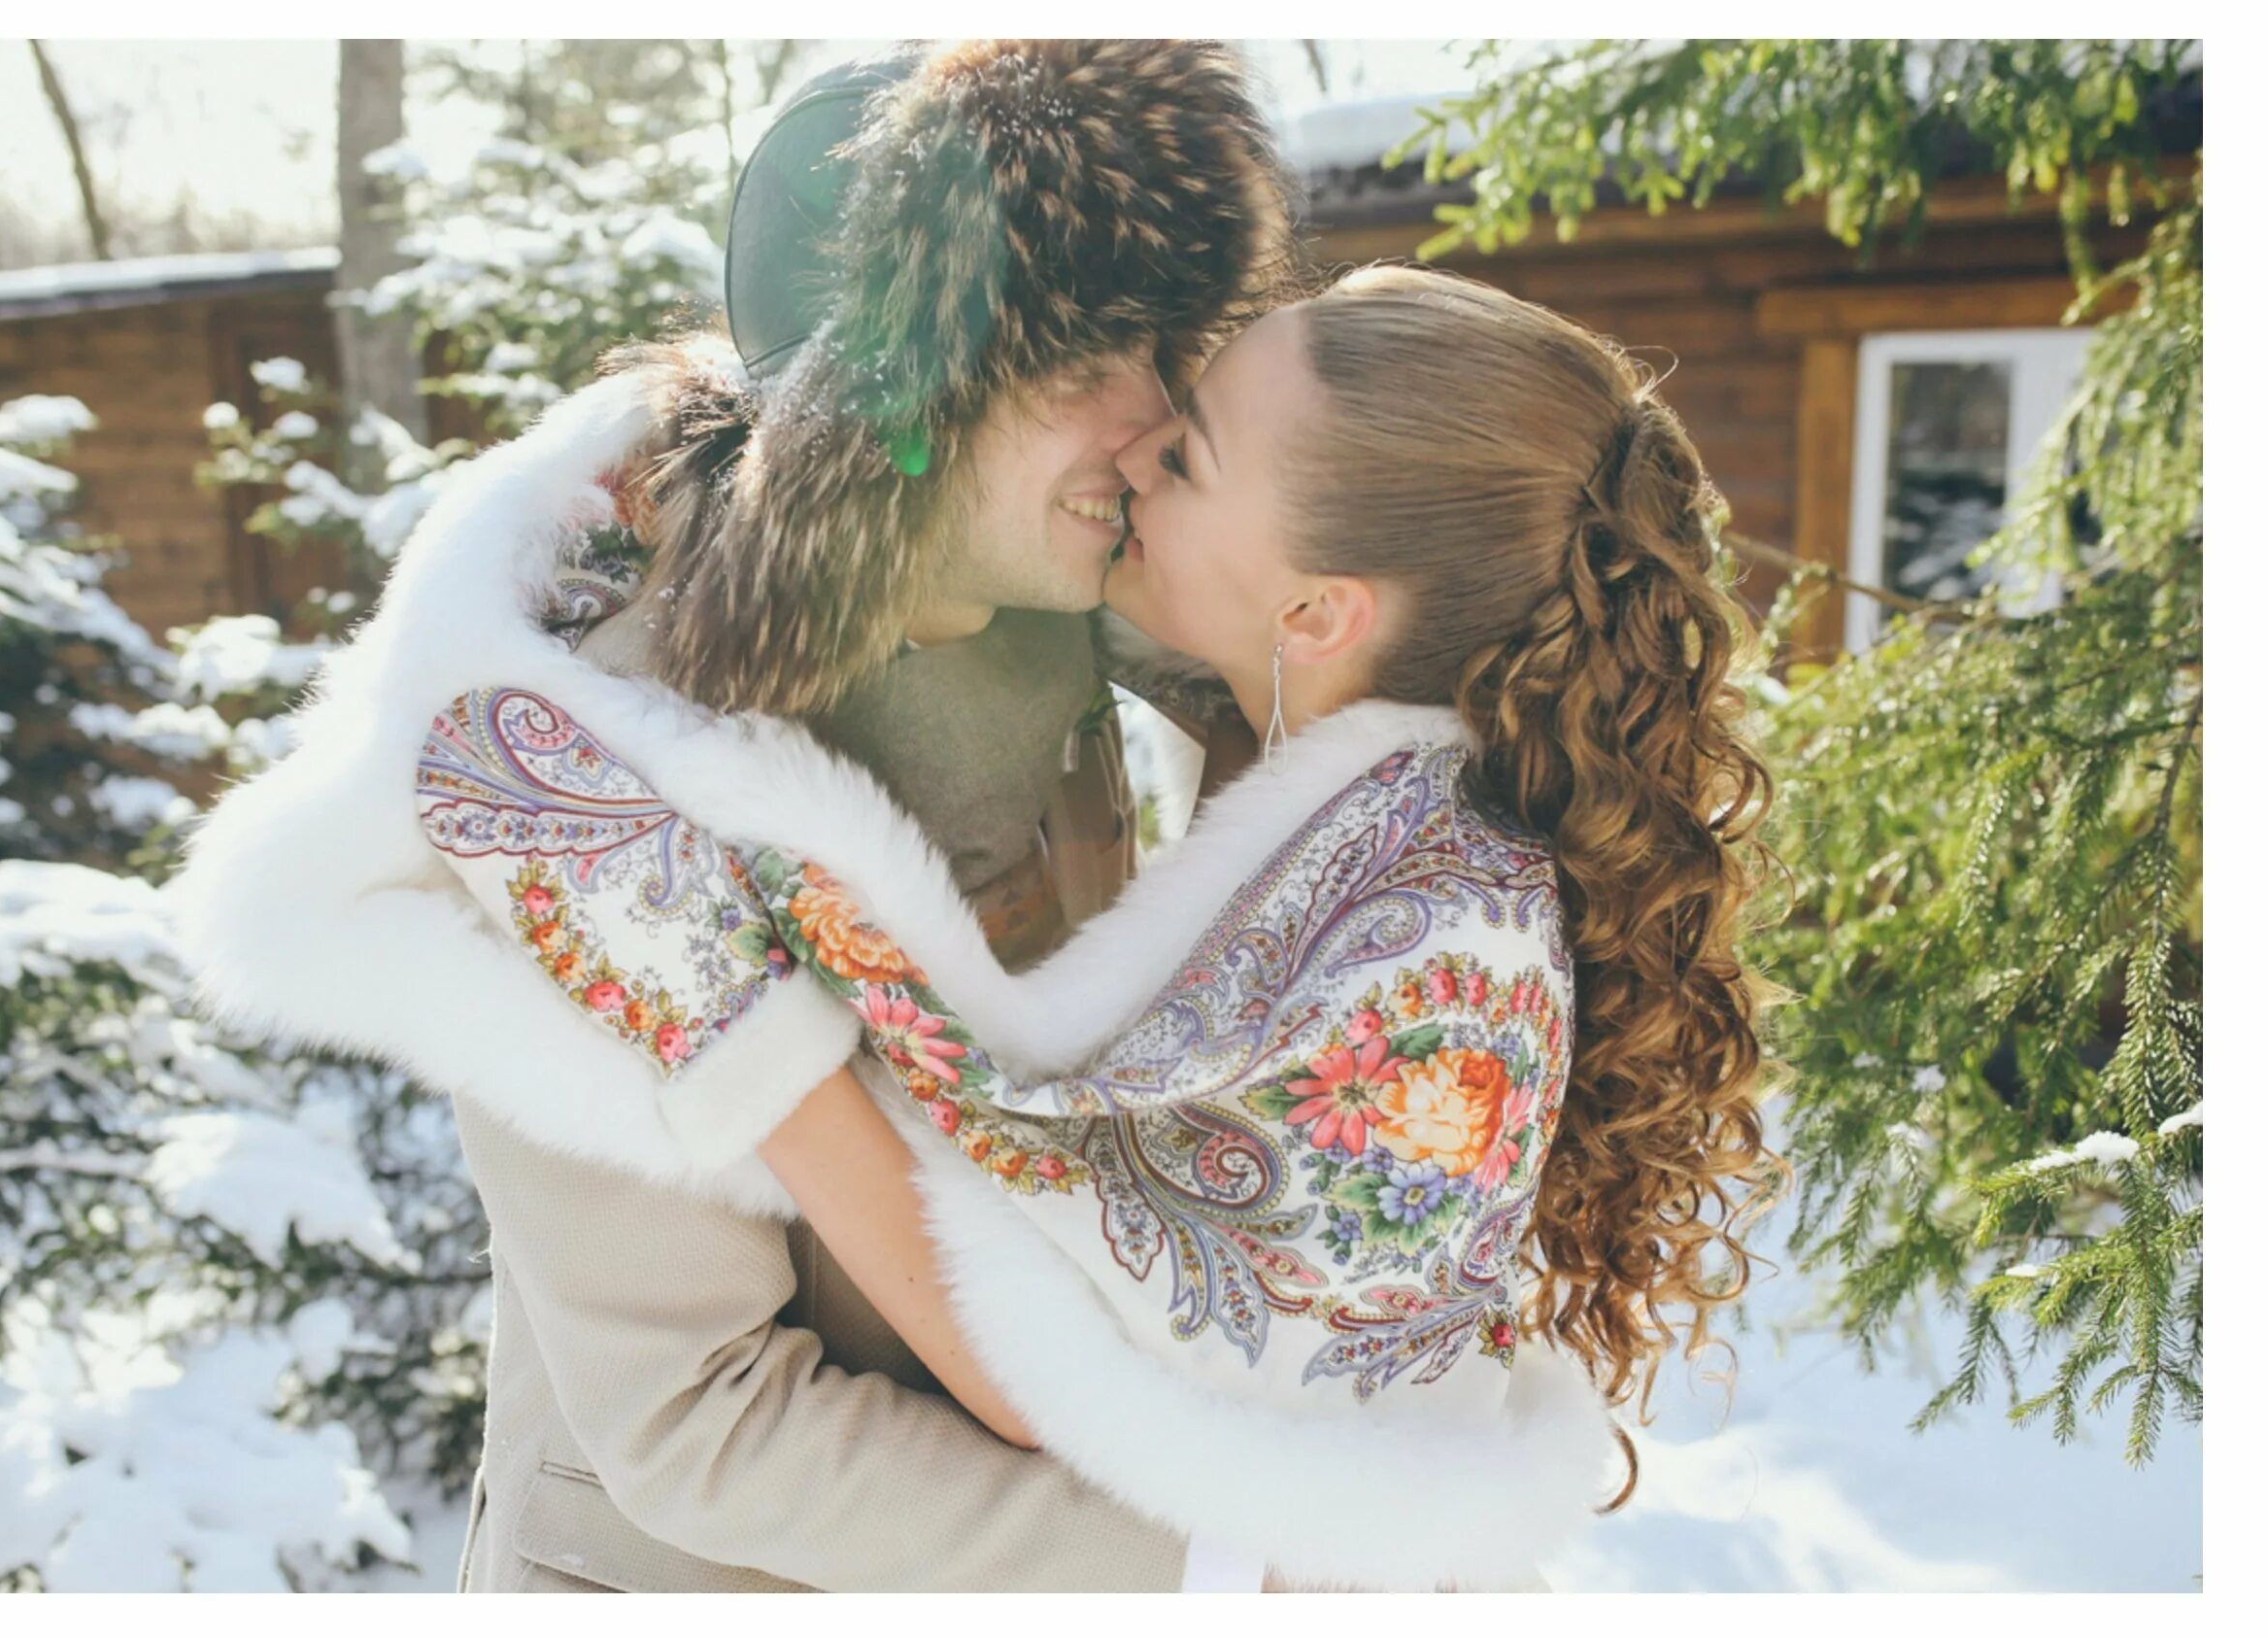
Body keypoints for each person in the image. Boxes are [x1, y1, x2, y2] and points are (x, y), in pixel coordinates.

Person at [412, 265, 1784, 1590]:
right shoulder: (622, 715)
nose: (1134, 446)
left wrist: (733, 1016)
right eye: (1090, 373)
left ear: (1316, 610)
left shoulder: (1430, 936)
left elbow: (1081, 1308)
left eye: (1180, 441)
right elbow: (695, 1420)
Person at [175, 40, 1295, 1591]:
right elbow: (696, 1418)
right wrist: (1229, 1560)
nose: (1155, 416)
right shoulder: (585, 764)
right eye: (1078, 363)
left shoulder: (1062, 589)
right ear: (897, 397)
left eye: (1168, 349)